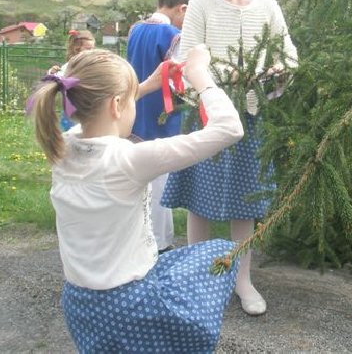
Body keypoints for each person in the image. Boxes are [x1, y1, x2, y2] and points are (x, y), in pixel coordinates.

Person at [26, 46, 245, 353]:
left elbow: (97, 113)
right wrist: (200, 76)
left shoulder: (62, 146)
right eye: (130, 100)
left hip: (80, 306)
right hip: (129, 305)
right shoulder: (128, 160)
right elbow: (229, 129)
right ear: (117, 104)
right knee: (220, 252)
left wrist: (145, 86)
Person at [161, 0, 298, 316]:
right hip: (205, 114)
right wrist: (225, 75)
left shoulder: (267, 4)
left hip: (251, 117)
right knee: (198, 199)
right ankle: (196, 278)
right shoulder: (201, 3)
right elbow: (187, 57)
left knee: (245, 203)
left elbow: (288, 52)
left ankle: (242, 279)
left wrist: (279, 69)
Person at [127, 0, 197, 252]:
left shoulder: (135, 29)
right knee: (159, 183)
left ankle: (138, 238)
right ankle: (159, 243)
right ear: (183, 8)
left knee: (138, 181)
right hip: (161, 114)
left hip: (135, 109)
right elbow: (182, 80)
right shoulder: (172, 35)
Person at [48, 29, 96, 131]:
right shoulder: (70, 66)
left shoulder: (92, 65)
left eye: (93, 48)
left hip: (88, 107)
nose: (92, 52)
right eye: (88, 49)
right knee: (71, 133)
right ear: (77, 49)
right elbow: (56, 81)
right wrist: (51, 73)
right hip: (73, 107)